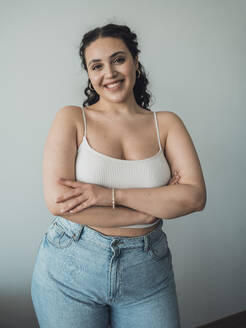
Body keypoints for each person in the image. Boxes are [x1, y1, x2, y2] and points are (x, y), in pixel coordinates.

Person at [31, 23, 206, 328]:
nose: (108, 73)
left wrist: (106, 196)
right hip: (72, 263)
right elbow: (59, 203)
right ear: (89, 74)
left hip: (147, 268)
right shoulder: (72, 118)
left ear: (135, 62)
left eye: (118, 59)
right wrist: (150, 206)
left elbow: (194, 197)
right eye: (96, 65)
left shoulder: (166, 124)